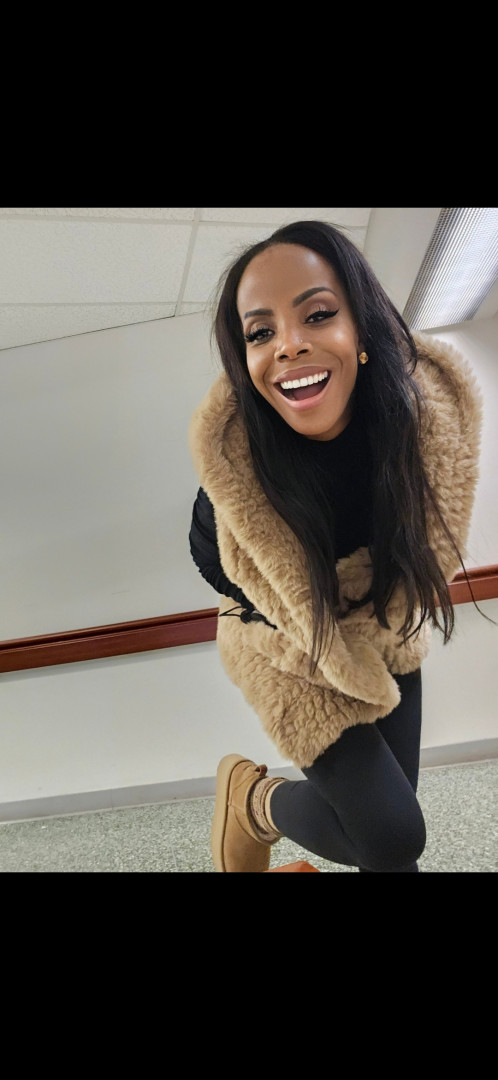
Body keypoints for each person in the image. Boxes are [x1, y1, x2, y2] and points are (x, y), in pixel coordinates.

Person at [188, 219, 484, 874]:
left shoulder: (420, 422)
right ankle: (256, 801)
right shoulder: (239, 469)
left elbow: (430, 531)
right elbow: (213, 562)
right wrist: (299, 599)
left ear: (361, 329)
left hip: (383, 623)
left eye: (317, 315)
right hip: (288, 642)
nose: (289, 345)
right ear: (245, 361)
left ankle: (268, 807)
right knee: (392, 837)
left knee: (387, 845)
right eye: (260, 332)